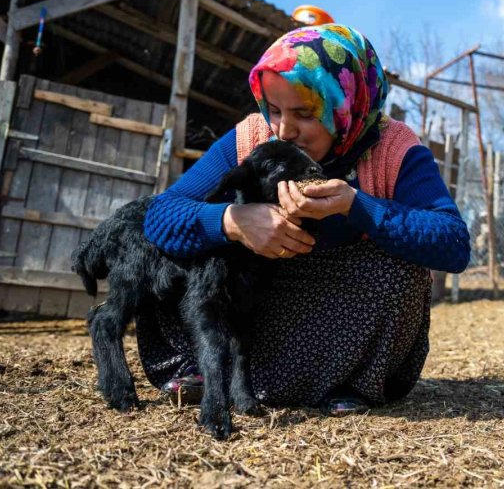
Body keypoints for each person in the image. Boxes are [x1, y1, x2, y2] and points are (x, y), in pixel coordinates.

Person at [138, 24, 470, 415]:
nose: (283, 129)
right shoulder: (252, 139)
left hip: (336, 324)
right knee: (171, 243)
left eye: (305, 113)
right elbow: (160, 214)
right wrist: (231, 221)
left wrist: (357, 206)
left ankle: (345, 384)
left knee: (403, 267)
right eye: (274, 109)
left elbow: (453, 244)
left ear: (347, 105)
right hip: (246, 316)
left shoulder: (394, 148)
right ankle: (205, 370)